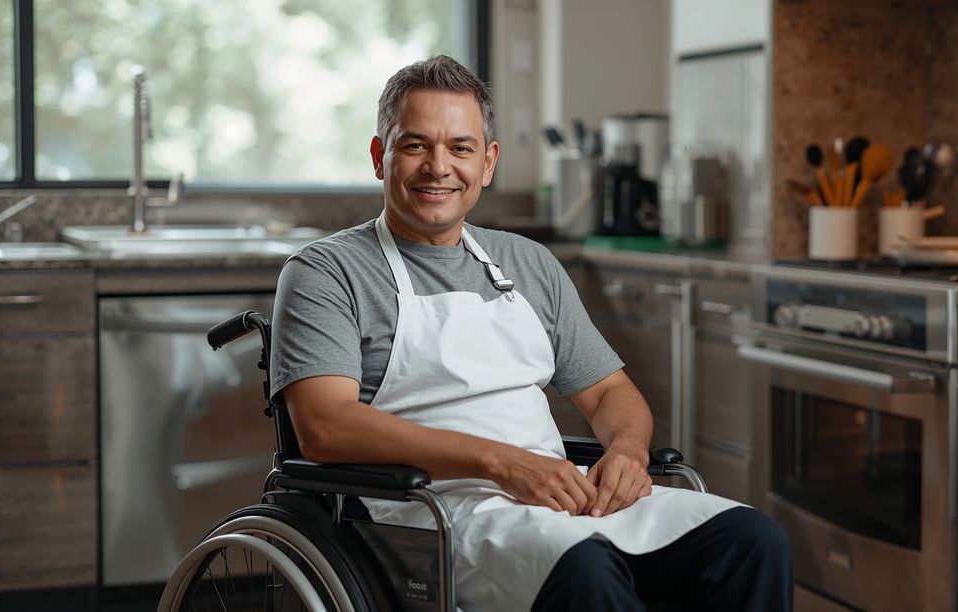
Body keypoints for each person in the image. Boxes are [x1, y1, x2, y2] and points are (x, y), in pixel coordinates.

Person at [271, 55, 792, 611]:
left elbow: (611, 393)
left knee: (754, 541)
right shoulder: (326, 272)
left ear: (488, 162)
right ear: (381, 157)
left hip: (557, 494)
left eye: (461, 148)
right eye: (415, 145)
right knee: (586, 573)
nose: (438, 167)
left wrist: (627, 452)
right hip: (424, 512)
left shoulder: (528, 262)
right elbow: (326, 427)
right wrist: (499, 462)